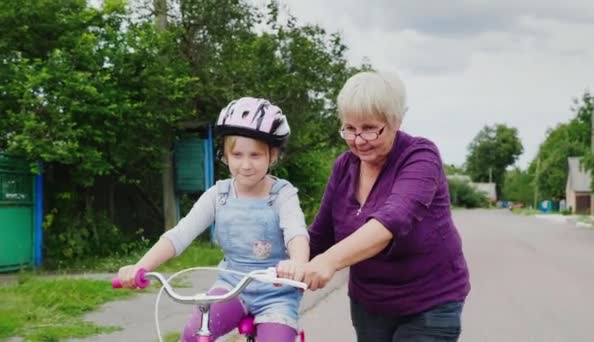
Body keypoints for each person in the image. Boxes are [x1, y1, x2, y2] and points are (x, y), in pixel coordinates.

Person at [117, 97, 310, 342]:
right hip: (230, 287)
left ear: (272, 155)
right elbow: (180, 235)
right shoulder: (218, 195)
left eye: (256, 155)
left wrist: (298, 263)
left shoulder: (282, 194)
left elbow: (296, 233)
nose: (246, 164)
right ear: (225, 156)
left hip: (277, 292)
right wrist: (140, 267)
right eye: (237, 154)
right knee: (195, 333)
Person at [302, 71, 470, 341]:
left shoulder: (420, 157)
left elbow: (394, 218)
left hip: (430, 303)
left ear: (395, 121)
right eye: (349, 128)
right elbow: (321, 234)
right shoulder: (344, 167)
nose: (358, 140)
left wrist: (329, 261)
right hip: (369, 305)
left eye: (369, 128)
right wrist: (283, 262)